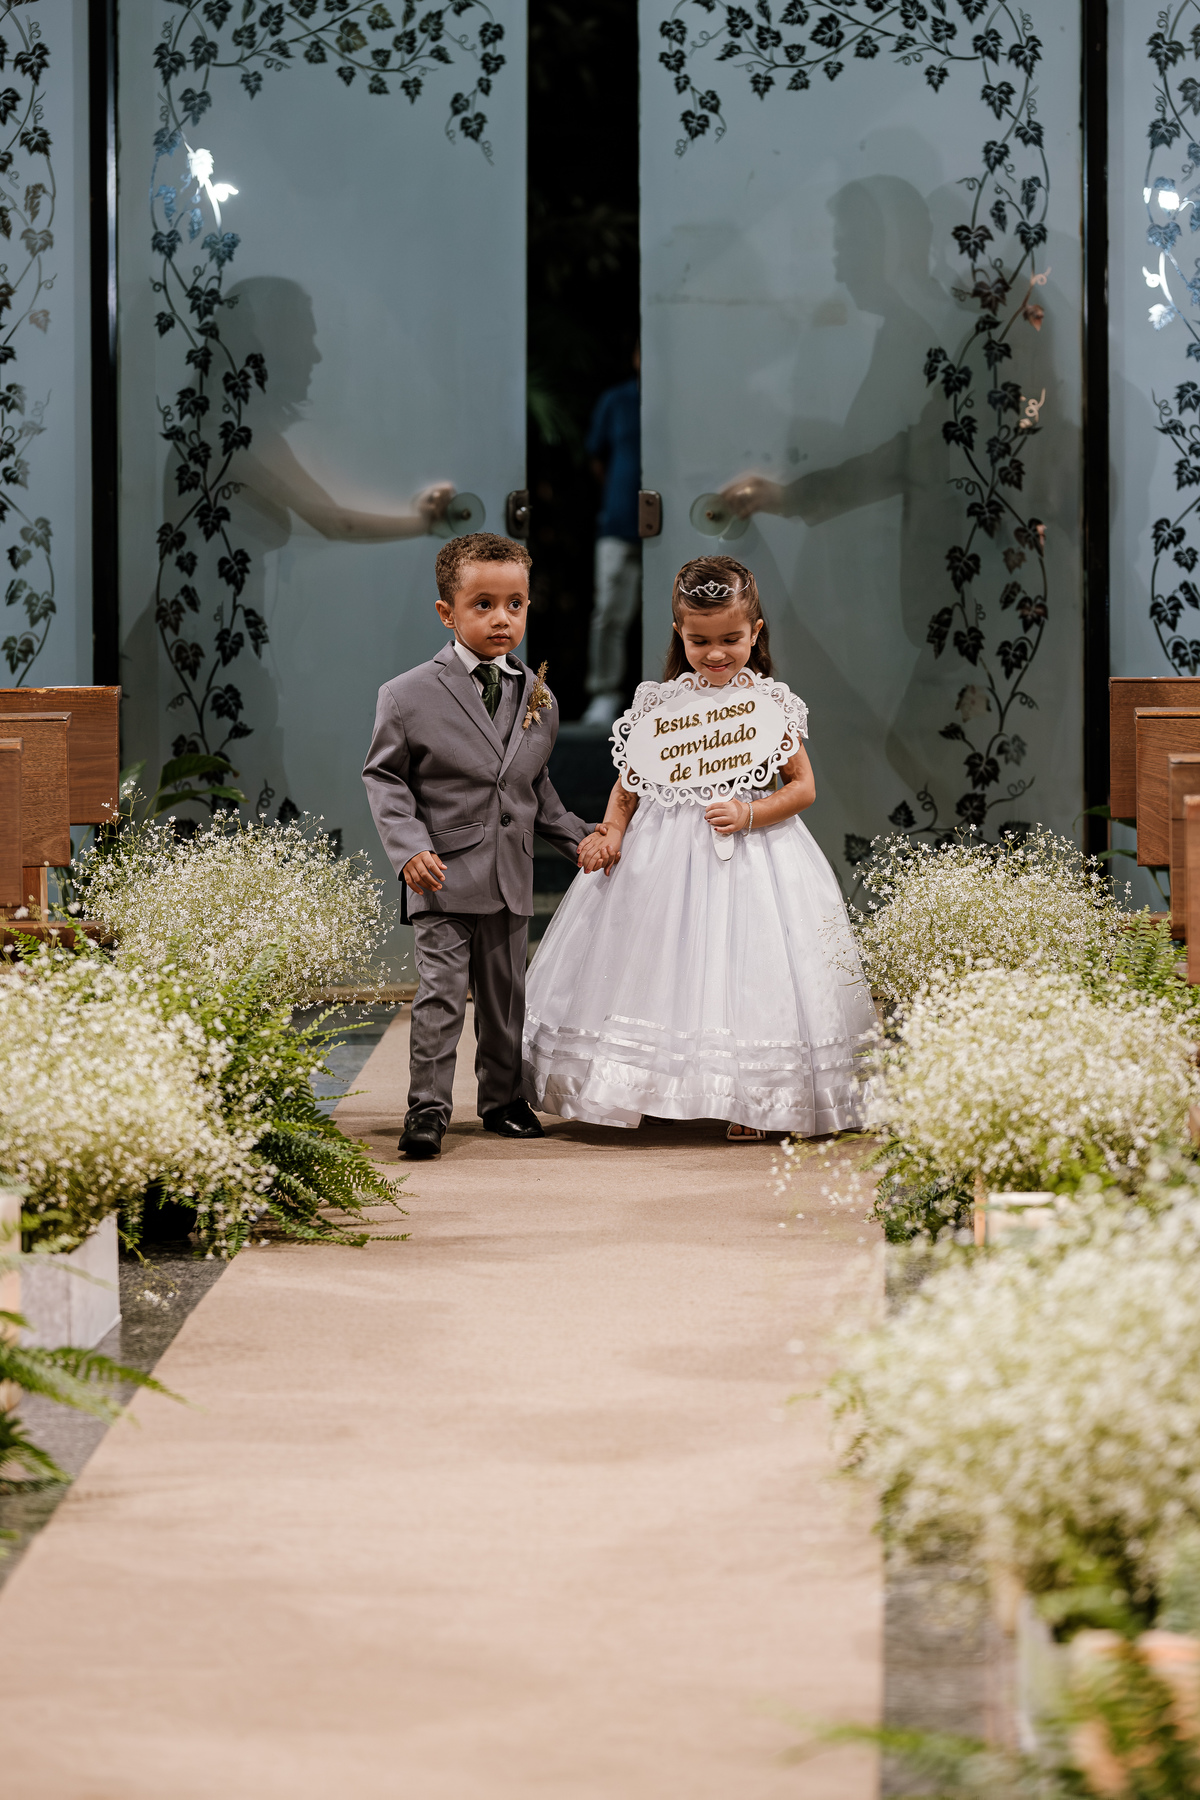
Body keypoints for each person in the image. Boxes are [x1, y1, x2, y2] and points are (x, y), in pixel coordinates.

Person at [522, 555, 875, 1141]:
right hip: (663, 855)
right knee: (660, 964)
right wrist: (610, 831)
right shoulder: (662, 707)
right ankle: (654, 1088)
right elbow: (627, 789)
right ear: (680, 635)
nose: (716, 653)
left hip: (753, 853)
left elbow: (804, 787)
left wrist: (750, 812)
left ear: (755, 633)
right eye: (700, 640)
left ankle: (754, 1098)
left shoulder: (768, 707)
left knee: (748, 968)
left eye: (731, 639)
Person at [362, 533, 593, 1159]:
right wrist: (409, 848)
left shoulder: (536, 697)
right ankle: (428, 1109)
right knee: (440, 995)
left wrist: (580, 836)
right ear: (448, 613)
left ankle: (502, 1099)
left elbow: (532, 785)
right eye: (484, 604)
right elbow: (384, 777)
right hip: (441, 873)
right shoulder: (407, 694)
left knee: (505, 995)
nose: (501, 618)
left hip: (509, 874)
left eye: (515, 604)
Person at [581, 351, 642, 728]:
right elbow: (597, 456)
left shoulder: (680, 398)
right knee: (609, 612)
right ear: (634, 357)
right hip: (619, 523)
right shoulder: (617, 400)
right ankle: (604, 693)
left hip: (671, 523)